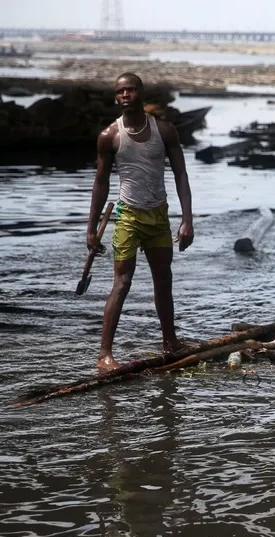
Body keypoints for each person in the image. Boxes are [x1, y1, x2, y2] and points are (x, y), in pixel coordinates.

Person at [87, 72, 194, 371]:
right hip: (128, 218)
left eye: (131, 90)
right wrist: (92, 228)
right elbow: (100, 183)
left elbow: (181, 174)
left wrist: (187, 220)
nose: (125, 95)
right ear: (115, 97)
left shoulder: (165, 130)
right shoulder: (110, 136)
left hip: (158, 216)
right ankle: (104, 355)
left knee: (164, 280)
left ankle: (170, 341)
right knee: (122, 283)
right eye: (120, 91)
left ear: (141, 94)